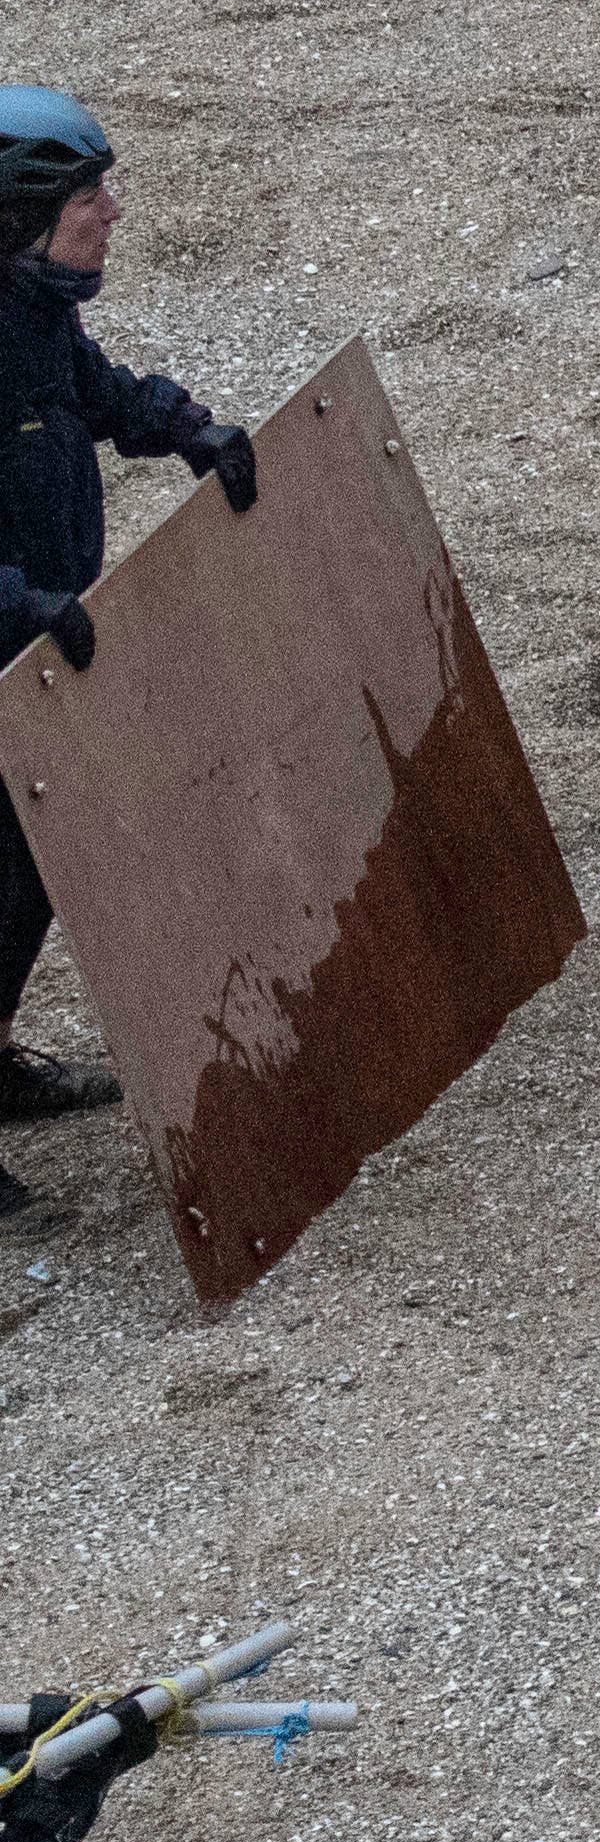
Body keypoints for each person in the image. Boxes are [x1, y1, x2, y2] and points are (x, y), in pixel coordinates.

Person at [0, 87, 261, 1213]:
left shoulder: (31, 310)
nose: (113, 208)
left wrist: (182, 425)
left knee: (30, 883)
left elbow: (89, 390)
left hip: (33, 656)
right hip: (12, 642)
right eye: (87, 193)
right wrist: (20, 601)